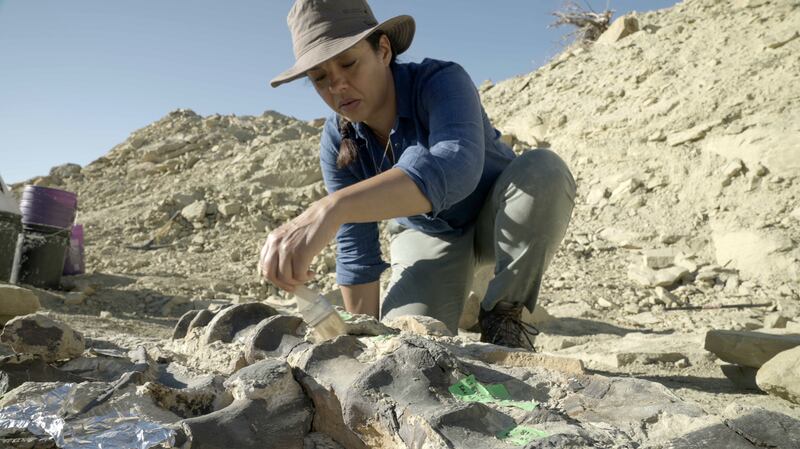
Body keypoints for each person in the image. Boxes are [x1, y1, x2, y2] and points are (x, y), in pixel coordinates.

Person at [260, 0, 576, 350]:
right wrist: (359, 343)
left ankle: (505, 318)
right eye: (320, 78)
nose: (337, 86)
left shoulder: (442, 82)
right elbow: (357, 254)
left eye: (349, 63)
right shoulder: (338, 140)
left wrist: (332, 208)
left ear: (382, 50)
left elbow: (456, 167)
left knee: (545, 170)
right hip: (430, 233)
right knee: (408, 343)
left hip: (500, 220)